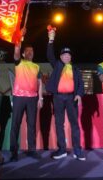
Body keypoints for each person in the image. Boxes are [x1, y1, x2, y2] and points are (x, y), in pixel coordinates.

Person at [46, 27, 86, 161]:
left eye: (68, 55)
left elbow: (81, 84)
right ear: (61, 57)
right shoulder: (57, 65)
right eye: (64, 55)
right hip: (58, 98)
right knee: (59, 123)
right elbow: (50, 55)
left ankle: (77, 150)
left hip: (71, 98)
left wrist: (79, 95)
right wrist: (51, 40)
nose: (66, 56)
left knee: (75, 124)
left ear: (71, 57)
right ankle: (62, 149)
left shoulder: (75, 69)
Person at [10, 27, 43, 162]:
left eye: (32, 51)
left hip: (32, 98)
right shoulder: (19, 62)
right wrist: (19, 37)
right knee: (15, 124)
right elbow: (16, 52)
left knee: (31, 125)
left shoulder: (36, 67)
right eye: (27, 51)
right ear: (23, 54)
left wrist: (40, 98)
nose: (30, 53)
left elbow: (40, 83)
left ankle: (32, 150)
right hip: (18, 97)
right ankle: (13, 151)